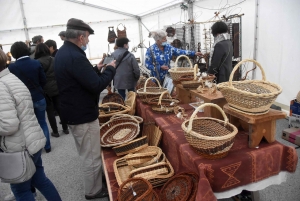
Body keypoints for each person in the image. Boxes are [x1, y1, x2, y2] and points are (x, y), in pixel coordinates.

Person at [54, 18, 116, 200]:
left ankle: (94, 183)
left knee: (87, 152)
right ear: (81, 37)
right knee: (91, 156)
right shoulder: (75, 56)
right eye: (87, 37)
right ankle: (93, 191)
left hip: (73, 111)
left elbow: (80, 78)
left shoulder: (64, 52)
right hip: (82, 114)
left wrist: (96, 69)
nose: (88, 41)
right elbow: (96, 85)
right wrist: (110, 70)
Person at [0, 49, 62, 201]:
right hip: (30, 142)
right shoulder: (11, 78)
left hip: (19, 148)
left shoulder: (1, 86)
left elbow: (9, 125)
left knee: (20, 190)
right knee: (40, 180)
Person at [8, 41, 52, 153]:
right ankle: (47, 146)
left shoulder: (12, 68)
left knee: (27, 124)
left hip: (22, 100)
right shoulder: (36, 63)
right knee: (42, 121)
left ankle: (34, 147)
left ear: (13, 53)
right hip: (39, 97)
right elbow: (43, 80)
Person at [35, 43, 69, 137]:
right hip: (57, 86)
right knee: (60, 108)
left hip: (46, 89)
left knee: (50, 111)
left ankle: (55, 131)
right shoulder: (54, 59)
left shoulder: (37, 62)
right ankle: (65, 128)